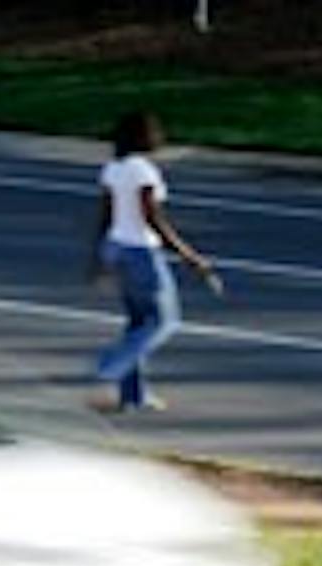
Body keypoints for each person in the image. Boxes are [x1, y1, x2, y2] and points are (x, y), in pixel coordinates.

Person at [86, 110, 220, 412]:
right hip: (141, 253)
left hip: (117, 249)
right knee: (164, 321)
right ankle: (111, 364)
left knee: (138, 324)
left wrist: (98, 258)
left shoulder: (113, 168)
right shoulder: (144, 172)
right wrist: (191, 257)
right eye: (154, 131)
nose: (160, 137)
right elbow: (153, 219)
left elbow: (105, 216)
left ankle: (133, 395)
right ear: (142, 137)